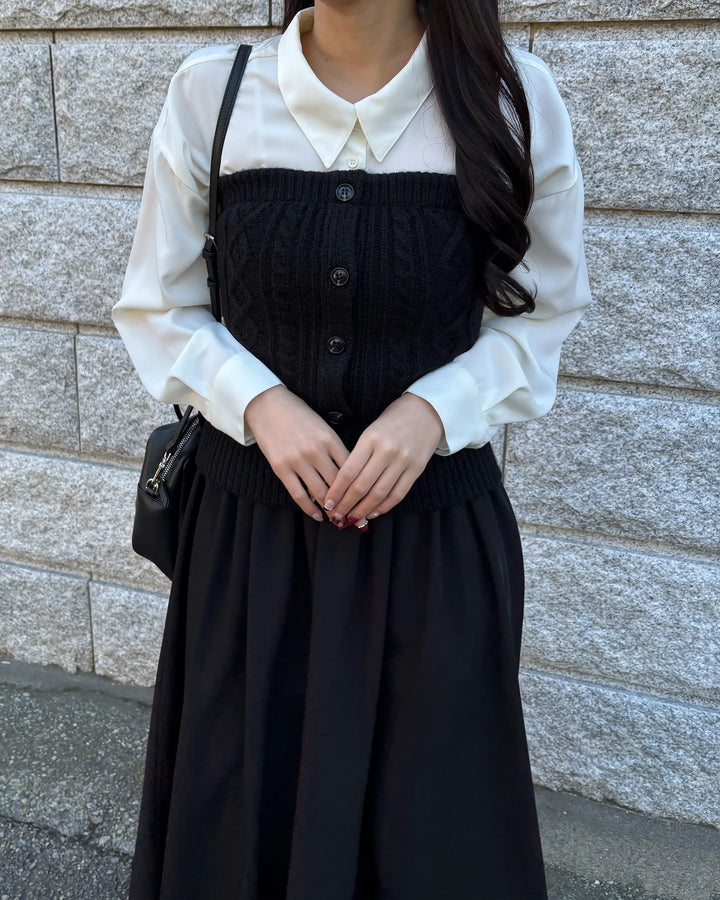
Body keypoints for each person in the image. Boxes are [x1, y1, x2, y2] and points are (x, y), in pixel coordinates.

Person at [112, 0, 592, 896]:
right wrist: (259, 403)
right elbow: (158, 304)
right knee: (240, 824)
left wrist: (434, 411)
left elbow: (544, 316)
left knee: (427, 840)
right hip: (248, 551)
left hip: (434, 551)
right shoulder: (216, 92)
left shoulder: (511, 100)